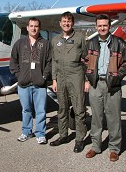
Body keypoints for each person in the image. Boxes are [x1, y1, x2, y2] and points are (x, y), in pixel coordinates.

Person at [84, 14, 126, 162]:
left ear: (109, 26)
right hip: (96, 84)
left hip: (113, 86)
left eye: (105, 25)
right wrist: (87, 79)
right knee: (96, 118)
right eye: (99, 25)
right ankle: (95, 146)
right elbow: (84, 62)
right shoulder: (91, 43)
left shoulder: (119, 43)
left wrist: (117, 77)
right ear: (96, 27)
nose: (102, 28)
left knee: (114, 119)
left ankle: (114, 149)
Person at [9, 17, 52, 144]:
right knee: (26, 109)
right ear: (27, 28)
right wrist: (19, 75)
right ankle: (26, 132)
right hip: (23, 83)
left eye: (36, 26)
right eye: (31, 26)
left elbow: (50, 62)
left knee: (40, 110)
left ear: (39, 28)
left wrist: (44, 76)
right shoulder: (20, 43)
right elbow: (13, 61)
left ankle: (40, 133)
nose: (34, 28)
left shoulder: (45, 44)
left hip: (40, 84)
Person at [49, 11, 87, 153]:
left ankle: (80, 139)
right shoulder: (55, 40)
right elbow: (54, 61)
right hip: (60, 78)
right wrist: (54, 79)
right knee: (62, 109)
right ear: (60, 23)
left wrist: (86, 80)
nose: (66, 24)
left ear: (73, 23)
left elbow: (86, 60)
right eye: (64, 21)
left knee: (79, 109)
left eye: (69, 21)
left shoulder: (79, 38)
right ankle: (63, 135)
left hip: (76, 76)